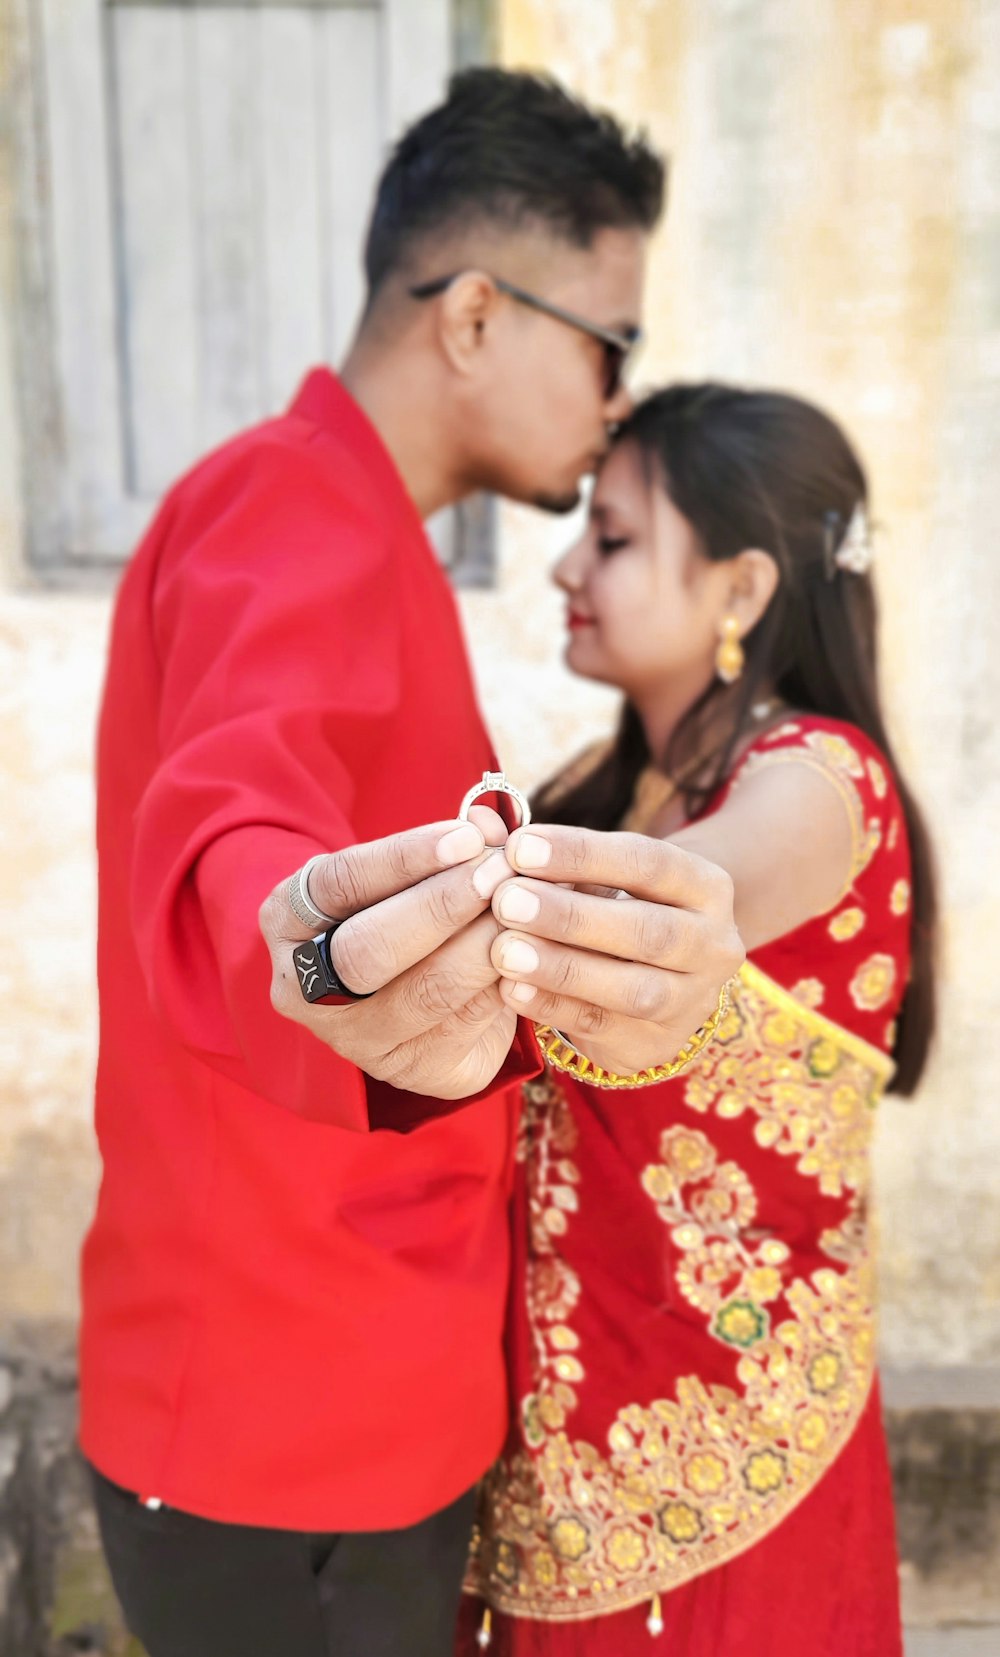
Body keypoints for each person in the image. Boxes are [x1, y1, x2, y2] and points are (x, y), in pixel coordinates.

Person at [81, 73, 744, 1657]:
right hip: (281, 1420)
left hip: (359, 1388)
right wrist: (307, 954)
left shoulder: (360, 527)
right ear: (469, 316)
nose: (611, 405)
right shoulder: (290, 509)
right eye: (609, 343)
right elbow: (243, 826)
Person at [459, 383, 937, 1656]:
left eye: (612, 538)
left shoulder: (822, 783)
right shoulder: (611, 788)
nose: (567, 562)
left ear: (738, 590)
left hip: (724, 1457)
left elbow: (690, 899)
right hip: (544, 1454)